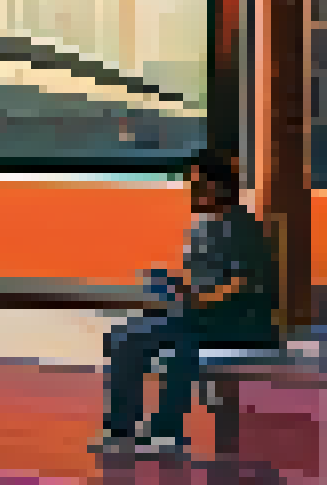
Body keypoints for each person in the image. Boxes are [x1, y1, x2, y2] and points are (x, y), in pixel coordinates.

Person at [93, 148, 279, 457]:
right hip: (199, 317)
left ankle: (165, 433)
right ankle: (121, 430)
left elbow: (245, 285)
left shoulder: (244, 228)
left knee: (182, 348)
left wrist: (199, 298)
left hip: (239, 323)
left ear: (218, 187)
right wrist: (176, 285)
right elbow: (202, 277)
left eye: (196, 184)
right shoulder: (202, 225)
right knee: (124, 337)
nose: (189, 190)